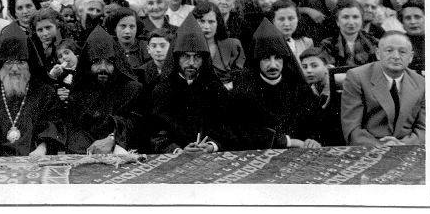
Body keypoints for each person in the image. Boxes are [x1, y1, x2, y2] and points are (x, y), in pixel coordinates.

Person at [0, 23, 66, 156]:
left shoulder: (44, 91)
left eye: (21, 62)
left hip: (34, 158)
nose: (14, 69)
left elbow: (52, 124)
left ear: (30, 64)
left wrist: (42, 148)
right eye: (8, 62)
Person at [146, 15, 236, 154]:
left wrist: (212, 146)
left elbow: (226, 129)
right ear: (176, 58)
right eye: (186, 56)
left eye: (197, 57)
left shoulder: (214, 88)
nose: (192, 63)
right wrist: (177, 150)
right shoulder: (161, 89)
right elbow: (156, 133)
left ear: (204, 59)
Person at [230, 19, 322, 150]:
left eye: (278, 58)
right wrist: (287, 142)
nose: (273, 65)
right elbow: (243, 132)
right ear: (257, 61)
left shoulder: (298, 87)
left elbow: (314, 123)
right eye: (266, 58)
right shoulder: (244, 90)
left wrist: (311, 140)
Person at [65, 25, 142, 154]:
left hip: (122, 152)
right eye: (96, 62)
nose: (103, 68)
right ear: (88, 65)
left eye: (109, 62)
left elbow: (135, 123)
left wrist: (113, 139)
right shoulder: (79, 92)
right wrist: (92, 150)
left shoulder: (132, 89)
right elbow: (74, 129)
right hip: (86, 154)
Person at [341, 31, 424, 146]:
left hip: (407, 147)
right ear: (378, 53)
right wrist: (382, 146)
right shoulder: (357, 77)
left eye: (402, 52)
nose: (396, 56)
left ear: (410, 57)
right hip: (370, 147)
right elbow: (352, 128)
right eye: (389, 51)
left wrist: (403, 145)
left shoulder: (421, 82)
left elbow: (424, 128)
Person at [299, 47, 344, 146]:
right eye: (304, 67)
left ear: (327, 67)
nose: (309, 71)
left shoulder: (340, 90)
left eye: (314, 66)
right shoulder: (306, 91)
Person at [320, 0, 378, 68]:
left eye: (355, 17)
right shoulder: (327, 44)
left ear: (361, 20)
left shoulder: (373, 42)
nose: (351, 22)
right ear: (337, 21)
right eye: (346, 17)